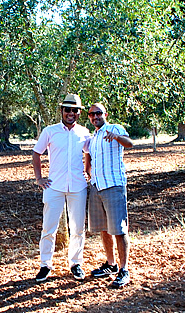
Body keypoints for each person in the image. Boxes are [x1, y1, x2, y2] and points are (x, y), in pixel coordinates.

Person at [32, 94, 91, 283]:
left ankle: (75, 263)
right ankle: (45, 265)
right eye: (68, 109)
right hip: (54, 186)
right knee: (49, 227)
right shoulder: (50, 131)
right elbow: (36, 153)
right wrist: (39, 178)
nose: (71, 113)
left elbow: (89, 153)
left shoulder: (84, 132)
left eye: (75, 110)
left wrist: (87, 172)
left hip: (78, 186)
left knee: (78, 228)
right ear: (62, 111)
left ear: (79, 113)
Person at [83, 102, 133, 288]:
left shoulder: (114, 128)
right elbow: (88, 155)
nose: (95, 117)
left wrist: (117, 137)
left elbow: (129, 144)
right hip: (97, 186)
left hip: (113, 185)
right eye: (91, 114)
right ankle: (110, 265)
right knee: (104, 228)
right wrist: (87, 171)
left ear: (105, 114)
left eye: (98, 113)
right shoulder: (93, 136)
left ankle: (124, 270)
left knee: (119, 229)